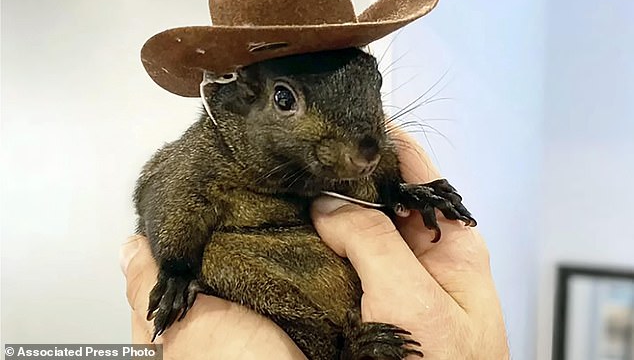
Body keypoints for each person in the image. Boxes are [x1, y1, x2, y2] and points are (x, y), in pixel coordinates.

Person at [120, 131, 510, 359]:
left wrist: (401, 193)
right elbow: (162, 196)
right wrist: (176, 270)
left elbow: (376, 175)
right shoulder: (208, 158)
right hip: (262, 282)